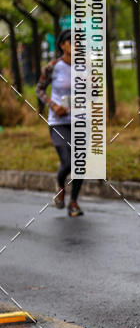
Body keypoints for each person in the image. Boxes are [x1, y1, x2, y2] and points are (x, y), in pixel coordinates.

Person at [35, 29, 84, 217]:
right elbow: (39, 89)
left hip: (80, 120)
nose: (77, 45)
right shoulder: (52, 67)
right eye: (73, 41)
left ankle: (74, 203)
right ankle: (60, 187)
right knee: (68, 161)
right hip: (58, 122)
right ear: (63, 45)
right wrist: (53, 105)